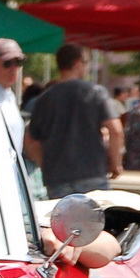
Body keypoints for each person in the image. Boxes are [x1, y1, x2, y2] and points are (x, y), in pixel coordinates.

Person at [22, 42, 123, 197]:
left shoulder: (45, 98)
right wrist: (115, 163)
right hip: (92, 173)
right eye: (85, 63)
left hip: (57, 179)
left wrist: (46, 166)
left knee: (62, 220)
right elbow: (115, 130)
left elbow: (32, 140)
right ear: (77, 63)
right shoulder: (95, 93)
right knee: (95, 220)